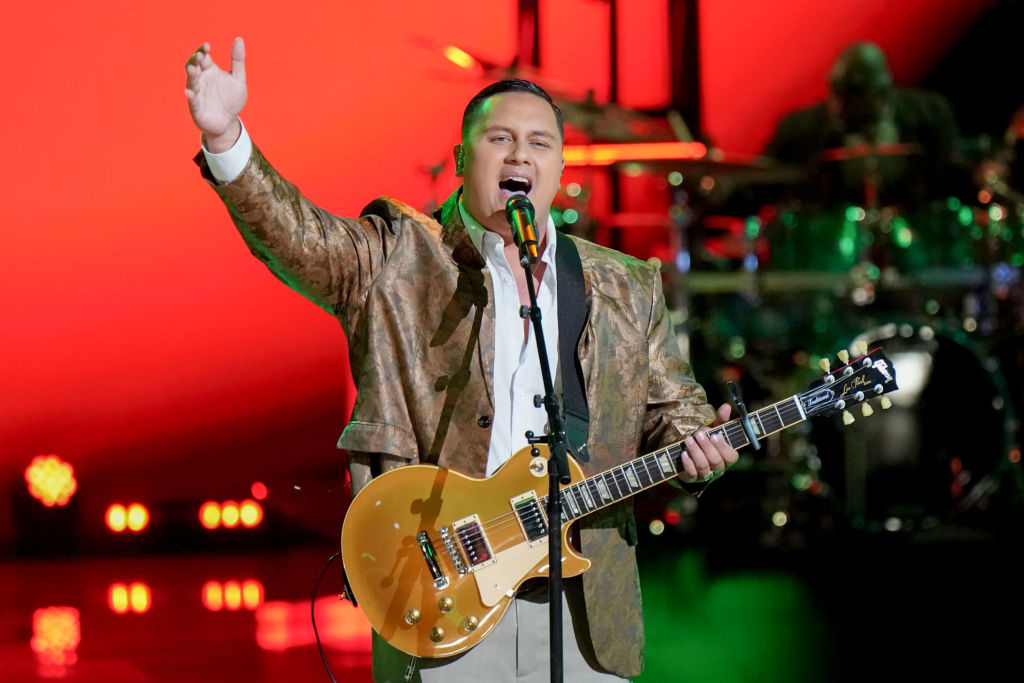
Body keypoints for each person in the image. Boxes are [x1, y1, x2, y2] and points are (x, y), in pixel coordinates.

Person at [185, 37, 739, 682]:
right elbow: (298, 238)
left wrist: (703, 455)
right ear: (460, 157)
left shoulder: (623, 284)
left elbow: (678, 417)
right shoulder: (395, 259)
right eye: (499, 139)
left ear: (561, 167)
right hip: (444, 593)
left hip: (586, 610)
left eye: (539, 144)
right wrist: (227, 141)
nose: (520, 155)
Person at [764, 41, 962, 209]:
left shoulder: (930, 115)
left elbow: (951, 177)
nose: (841, 106)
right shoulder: (799, 129)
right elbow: (763, 182)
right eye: (836, 92)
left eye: (854, 95)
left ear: (882, 94)